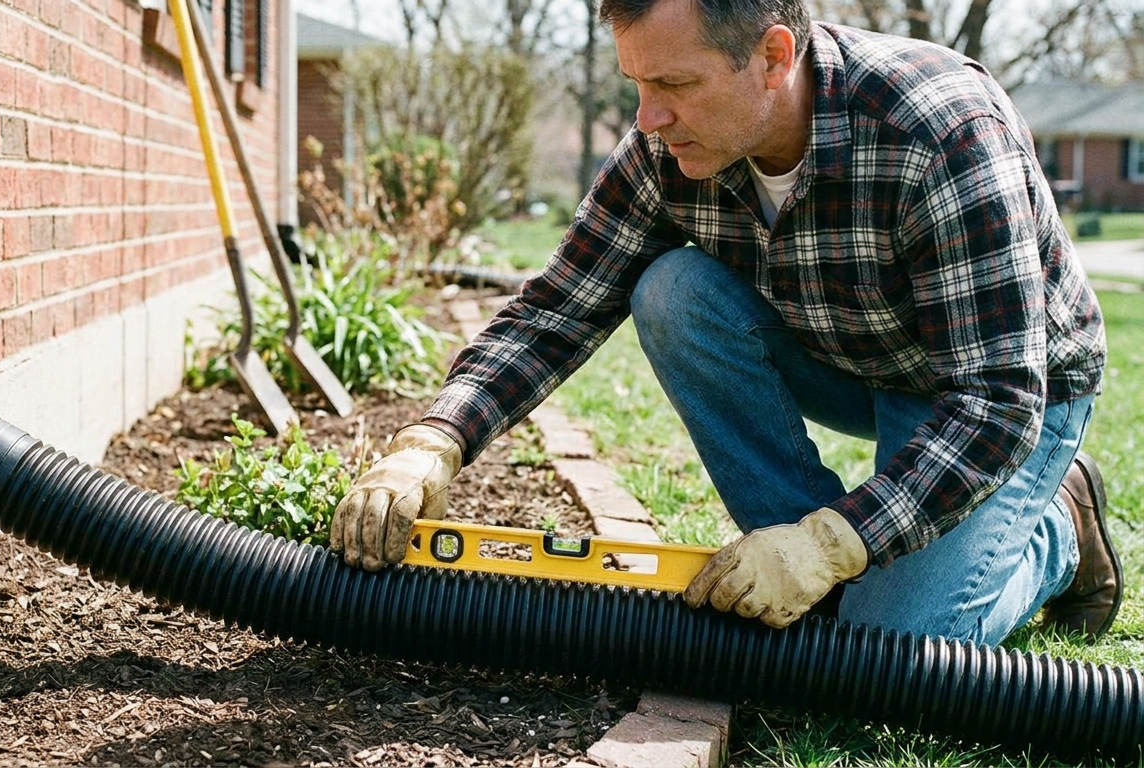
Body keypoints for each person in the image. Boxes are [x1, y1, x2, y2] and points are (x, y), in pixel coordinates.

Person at [329, 0, 1121, 646]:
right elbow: (558, 307)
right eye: (636, 83)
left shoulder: (937, 131)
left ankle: (1059, 530)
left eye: (673, 82)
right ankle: (801, 564)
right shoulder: (667, 144)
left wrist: (830, 546)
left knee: (896, 644)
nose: (648, 118)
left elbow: (996, 399)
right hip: (850, 350)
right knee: (672, 289)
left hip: (1000, 395)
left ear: (774, 56)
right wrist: (433, 442)